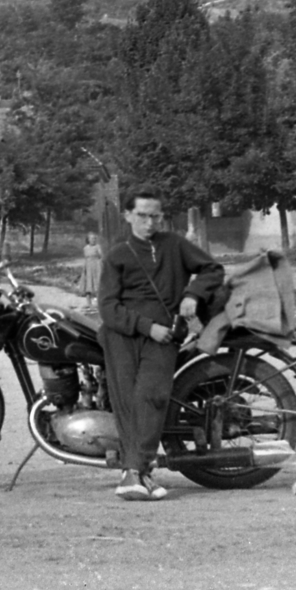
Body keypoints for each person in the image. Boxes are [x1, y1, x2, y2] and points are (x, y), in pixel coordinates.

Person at [97, 189, 222, 502]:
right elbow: (107, 306)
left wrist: (193, 294)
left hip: (166, 334)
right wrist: (145, 327)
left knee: (150, 396)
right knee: (126, 400)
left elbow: (212, 269)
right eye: (142, 216)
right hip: (123, 335)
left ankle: (133, 473)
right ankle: (138, 473)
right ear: (128, 216)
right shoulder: (117, 253)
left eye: (155, 216)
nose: (149, 222)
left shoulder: (175, 245)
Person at [77, 231, 103, 308]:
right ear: (88, 239)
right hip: (88, 266)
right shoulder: (85, 248)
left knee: (97, 284)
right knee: (88, 284)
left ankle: (99, 303)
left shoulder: (98, 247)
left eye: (95, 238)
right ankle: (89, 303)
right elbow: (86, 258)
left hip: (96, 266)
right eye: (92, 239)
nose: (93, 240)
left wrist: (100, 265)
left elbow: (101, 256)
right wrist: (84, 268)